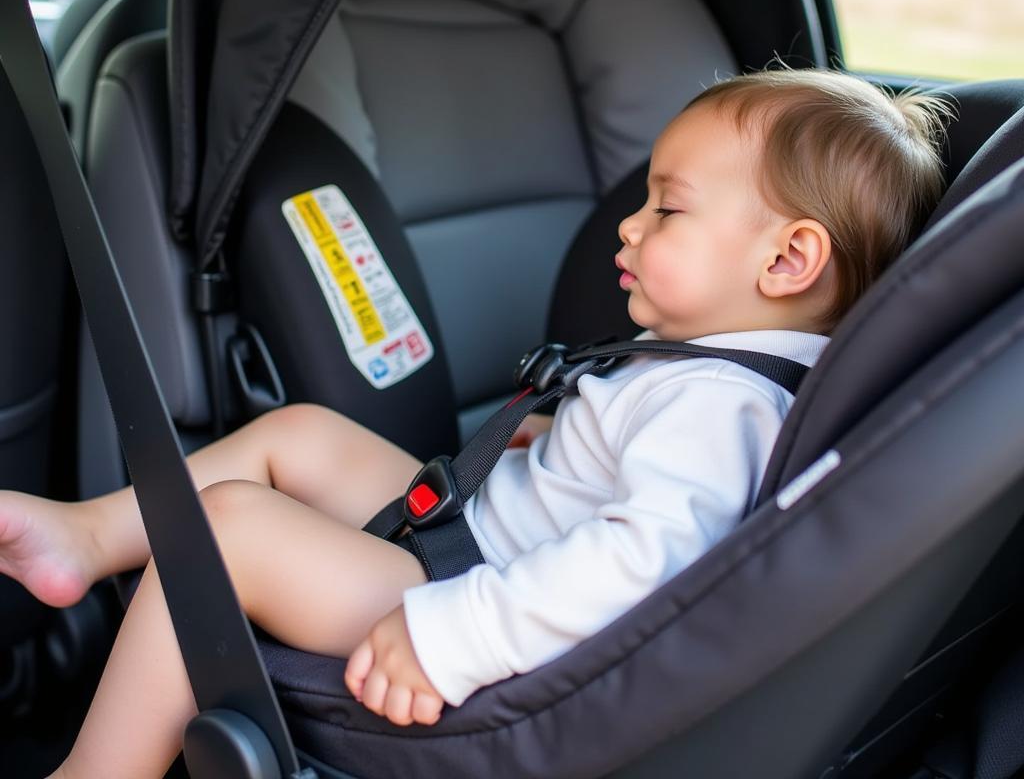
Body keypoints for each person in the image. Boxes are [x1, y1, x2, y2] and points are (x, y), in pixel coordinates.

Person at [0, 68, 951, 779]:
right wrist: (560, 445)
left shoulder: (720, 403)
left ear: (788, 262)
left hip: (470, 591)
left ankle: (96, 771)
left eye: (668, 209)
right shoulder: (716, 375)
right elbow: (634, 488)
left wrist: (452, 637)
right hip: (484, 530)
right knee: (303, 432)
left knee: (236, 528)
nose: (630, 227)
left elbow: (646, 560)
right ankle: (87, 537)